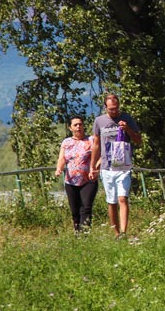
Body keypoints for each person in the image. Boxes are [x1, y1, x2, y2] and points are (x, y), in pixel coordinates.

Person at [89, 93, 142, 239]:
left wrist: (128, 130)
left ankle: (124, 232)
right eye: (111, 109)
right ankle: (116, 233)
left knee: (123, 199)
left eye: (116, 108)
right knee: (111, 202)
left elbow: (138, 140)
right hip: (107, 167)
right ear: (105, 107)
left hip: (124, 166)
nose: (114, 111)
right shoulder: (99, 121)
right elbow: (96, 144)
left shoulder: (127, 118)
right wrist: (92, 166)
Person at [54, 116, 99, 232]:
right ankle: (77, 232)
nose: (78, 127)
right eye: (75, 125)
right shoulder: (66, 142)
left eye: (80, 124)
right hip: (71, 181)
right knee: (75, 209)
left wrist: (95, 168)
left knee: (86, 206)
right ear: (70, 128)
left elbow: (100, 155)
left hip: (88, 180)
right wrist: (59, 169)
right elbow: (62, 158)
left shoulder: (91, 140)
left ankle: (85, 233)